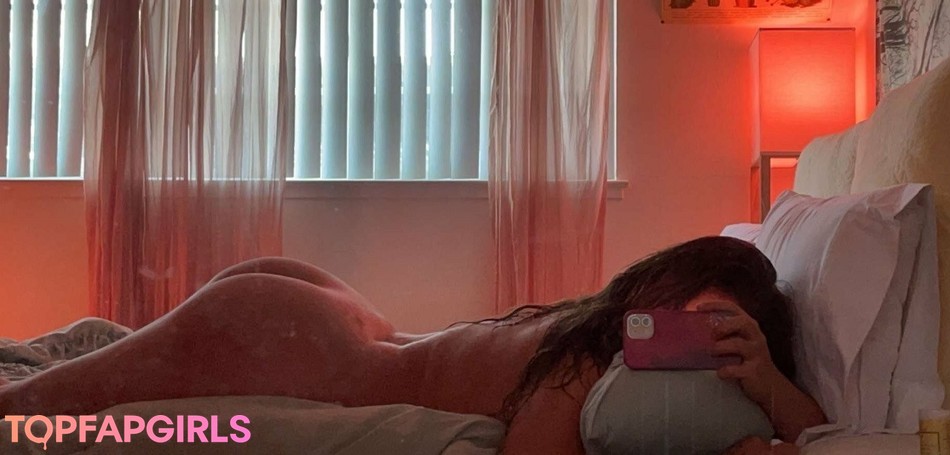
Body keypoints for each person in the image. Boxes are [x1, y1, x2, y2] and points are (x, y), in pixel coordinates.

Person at [0, 236, 823, 454]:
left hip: (335, 317)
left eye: (719, 334)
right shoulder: (584, 361)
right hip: (304, 342)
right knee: (27, 413)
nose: (689, 345)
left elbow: (824, 436)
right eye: (688, 319)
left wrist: (770, 386)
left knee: (58, 384)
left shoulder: (587, 335)